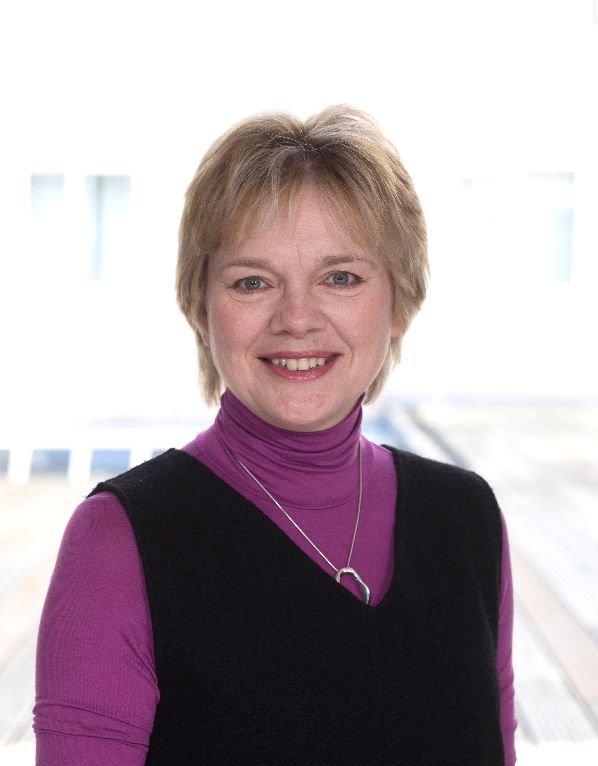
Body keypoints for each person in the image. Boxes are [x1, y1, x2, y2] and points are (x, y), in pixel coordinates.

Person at [33, 105, 516, 765]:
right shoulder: (118, 542)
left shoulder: (466, 519)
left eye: (340, 278)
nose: (296, 318)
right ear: (200, 307)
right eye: (253, 282)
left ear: (399, 302)